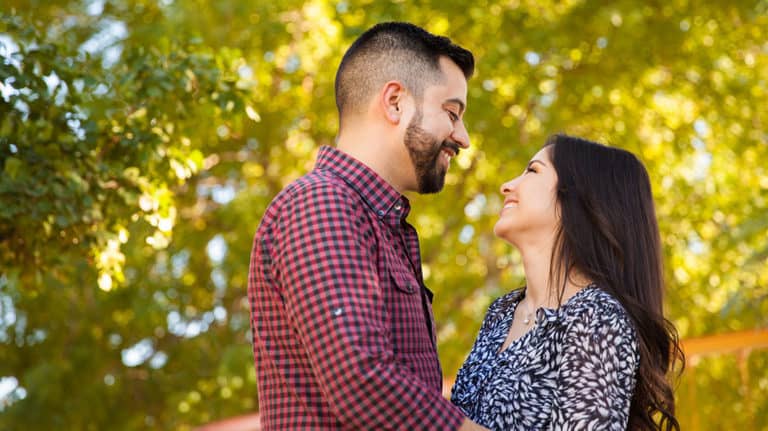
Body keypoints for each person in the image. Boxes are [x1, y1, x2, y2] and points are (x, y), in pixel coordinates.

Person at [248, 22, 488, 430]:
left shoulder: (380, 224)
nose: (462, 138)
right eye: (451, 113)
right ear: (395, 102)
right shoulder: (320, 202)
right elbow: (361, 378)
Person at [450, 134, 684, 430]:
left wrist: (445, 423)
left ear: (576, 199)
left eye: (532, 171)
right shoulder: (501, 313)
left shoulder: (596, 319)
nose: (507, 185)